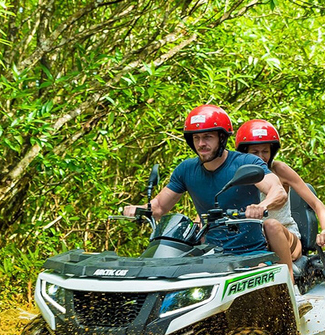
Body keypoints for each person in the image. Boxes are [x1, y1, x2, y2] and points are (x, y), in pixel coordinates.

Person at [123, 105, 298, 276]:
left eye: (207, 137)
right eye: (196, 138)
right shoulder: (186, 170)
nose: (201, 143)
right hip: (210, 256)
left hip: (250, 255)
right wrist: (137, 209)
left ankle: (291, 296)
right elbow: (159, 206)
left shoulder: (245, 162)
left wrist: (263, 205)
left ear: (221, 138)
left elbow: (277, 190)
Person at [235, 119, 325, 261]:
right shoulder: (236, 174)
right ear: (245, 153)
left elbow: (317, 204)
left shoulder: (279, 170)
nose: (261, 157)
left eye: (265, 151)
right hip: (252, 241)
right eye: (255, 152)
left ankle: (289, 281)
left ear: (272, 151)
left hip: (287, 238)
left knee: (271, 226)